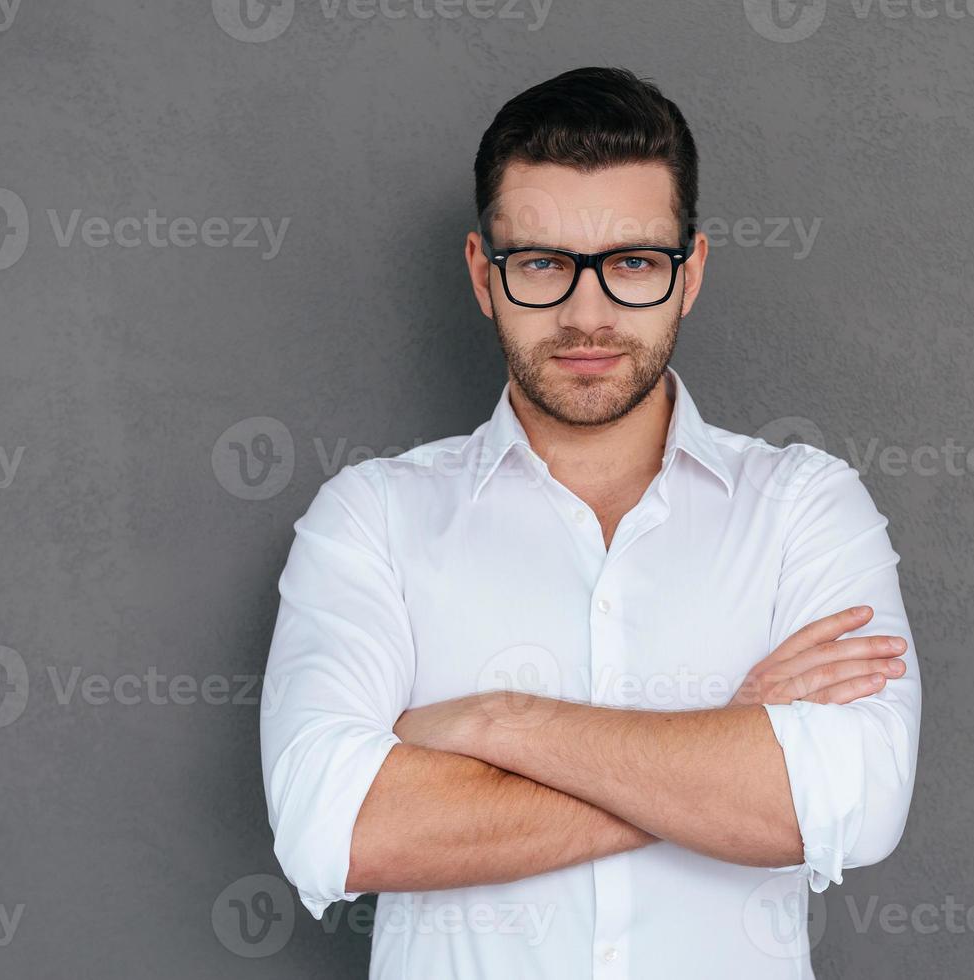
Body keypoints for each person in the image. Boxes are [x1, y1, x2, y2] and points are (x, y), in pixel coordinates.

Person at [260, 65, 921, 979]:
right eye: (539, 264)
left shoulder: (805, 507)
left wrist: (498, 720)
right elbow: (336, 828)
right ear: (481, 276)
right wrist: (721, 747)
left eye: (633, 264)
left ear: (688, 274)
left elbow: (851, 803)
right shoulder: (372, 517)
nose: (587, 315)